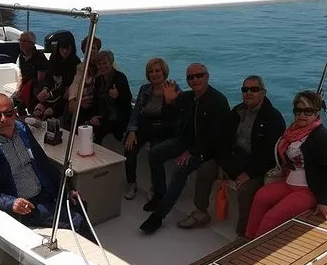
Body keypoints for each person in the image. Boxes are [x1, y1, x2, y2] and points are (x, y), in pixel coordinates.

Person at [0, 94, 92, 237]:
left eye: (8, 113)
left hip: (45, 192)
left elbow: (44, 163)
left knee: (80, 204)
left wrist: (67, 189)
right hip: (25, 206)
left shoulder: (22, 129)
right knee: (77, 221)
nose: (3, 119)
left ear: (15, 113)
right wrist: (10, 202)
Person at [178, 75, 285, 240]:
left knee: (246, 190)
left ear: (263, 92)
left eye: (254, 89)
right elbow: (223, 141)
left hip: (256, 167)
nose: (249, 93)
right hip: (233, 160)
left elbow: (269, 154)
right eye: (245, 89)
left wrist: (249, 174)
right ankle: (200, 212)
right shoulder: (237, 112)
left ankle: (243, 234)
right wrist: (223, 164)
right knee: (205, 169)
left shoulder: (273, 118)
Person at [139, 63, 230, 234]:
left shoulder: (218, 101)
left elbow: (217, 136)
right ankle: (159, 194)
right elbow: (168, 119)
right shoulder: (187, 97)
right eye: (190, 77)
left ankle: (158, 216)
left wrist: (192, 152)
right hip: (185, 141)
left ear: (207, 76)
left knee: (181, 169)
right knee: (155, 153)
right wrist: (168, 102)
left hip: (208, 150)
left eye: (199, 75)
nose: (195, 80)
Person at [245, 90, 327, 239]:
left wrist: (325, 201)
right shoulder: (291, 132)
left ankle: (255, 247)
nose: (302, 115)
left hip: (308, 190)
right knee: (261, 196)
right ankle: (248, 238)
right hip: (289, 183)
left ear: (317, 113)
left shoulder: (322, 138)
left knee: (272, 216)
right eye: (298, 111)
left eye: (308, 111)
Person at [123, 58, 181, 200]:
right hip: (145, 125)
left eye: (157, 71)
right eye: (151, 71)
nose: (154, 74)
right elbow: (136, 112)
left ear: (164, 72)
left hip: (163, 128)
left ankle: (156, 187)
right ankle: (132, 183)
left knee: (155, 153)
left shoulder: (173, 88)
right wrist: (132, 131)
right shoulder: (145, 89)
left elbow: (178, 115)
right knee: (129, 148)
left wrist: (170, 101)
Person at [33, 31, 80, 119]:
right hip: (52, 89)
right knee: (37, 105)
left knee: (49, 112)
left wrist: (50, 94)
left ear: (72, 49)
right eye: (62, 48)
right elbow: (49, 77)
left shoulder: (75, 62)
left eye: (68, 49)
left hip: (64, 94)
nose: (65, 51)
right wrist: (45, 89)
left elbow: (67, 85)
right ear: (58, 47)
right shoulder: (54, 58)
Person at [88, 50, 132, 144]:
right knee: (85, 126)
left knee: (98, 133)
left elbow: (127, 99)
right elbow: (96, 101)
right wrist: (94, 116)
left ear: (111, 63)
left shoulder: (120, 77)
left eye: (105, 63)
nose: (102, 66)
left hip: (118, 117)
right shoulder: (99, 80)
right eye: (99, 64)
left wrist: (118, 95)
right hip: (104, 116)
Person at [65, 35, 101, 128]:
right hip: (86, 101)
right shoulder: (81, 67)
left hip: (99, 101)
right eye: (87, 48)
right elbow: (76, 83)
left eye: (93, 48)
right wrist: (72, 99)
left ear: (98, 50)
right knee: (70, 109)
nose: (90, 51)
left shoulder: (104, 64)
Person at [13, 31, 48, 114]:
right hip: (25, 87)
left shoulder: (39, 57)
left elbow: (40, 80)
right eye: (20, 40)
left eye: (24, 41)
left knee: (21, 106)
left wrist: (25, 93)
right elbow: (21, 76)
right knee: (10, 102)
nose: (21, 43)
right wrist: (18, 90)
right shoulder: (21, 57)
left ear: (32, 44)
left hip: (36, 89)